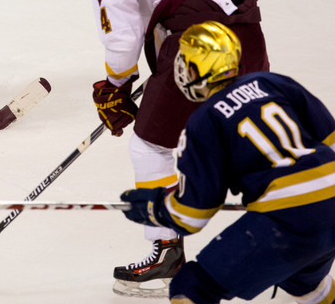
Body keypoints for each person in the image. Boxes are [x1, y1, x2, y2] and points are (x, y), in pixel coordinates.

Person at [89, 0, 277, 294]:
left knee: (151, 144)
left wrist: (114, 87)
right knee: (248, 127)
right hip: (245, 25)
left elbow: (123, 37)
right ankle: (289, 227)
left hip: (193, 41)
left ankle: (166, 252)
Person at [120, 21, 335, 304]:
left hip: (286, 220)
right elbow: (329, 137)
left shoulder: (204, 121)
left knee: (192, 287)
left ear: (195, 69)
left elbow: (192, 215)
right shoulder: (272, 82)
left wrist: (155, 207)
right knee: (303, 280)